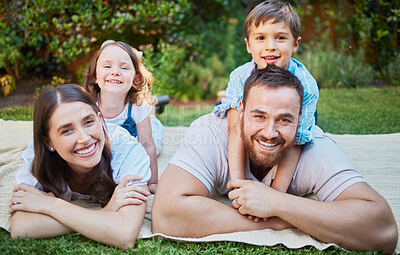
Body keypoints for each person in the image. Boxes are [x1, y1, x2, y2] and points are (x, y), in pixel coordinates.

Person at [152, 65, 398, 253]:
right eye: (259, 116)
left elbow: (383, 230)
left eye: (284, 120)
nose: (270, 133)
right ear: (240, 112)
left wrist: (276, 203)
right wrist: (280, 222)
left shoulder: (314, 148)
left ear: (301, 118)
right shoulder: (209, 134)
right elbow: (166, 214)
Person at [9, 84, 151, 250]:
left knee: (151, 135)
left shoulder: (127, 150)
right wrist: (105, 214)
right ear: (48, 142)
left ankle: (150, 116)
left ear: (99, 118)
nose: (84, 138)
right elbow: (21, 227)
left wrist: (49, 204)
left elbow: (125, 234)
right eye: (67, 130)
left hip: (127, 134)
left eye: (88, 122)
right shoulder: (37, 156)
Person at [213, 0, 319, 196]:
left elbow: (296, 140)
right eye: (260, 38)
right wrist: (238, 184)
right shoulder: (240, 76)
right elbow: (236, 127)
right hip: (251, 119)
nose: (270, 46)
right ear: (248, 45)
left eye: (280, 38)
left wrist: (275, 195)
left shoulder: (307, 86)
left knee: (305, 138)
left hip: (291, 123)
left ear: (295, 44)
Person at [84, 40, 161, 194]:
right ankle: (112, 47)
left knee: (156, 140)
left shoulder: (137, 107)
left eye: (124, 68)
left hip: (136, 140)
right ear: (95, 77)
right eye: (107, 66)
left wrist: (152, 181)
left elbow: (147, 145)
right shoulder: (88, 105)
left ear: (136, 79)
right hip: (109, 146)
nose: (115, 72)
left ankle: (155, 117)